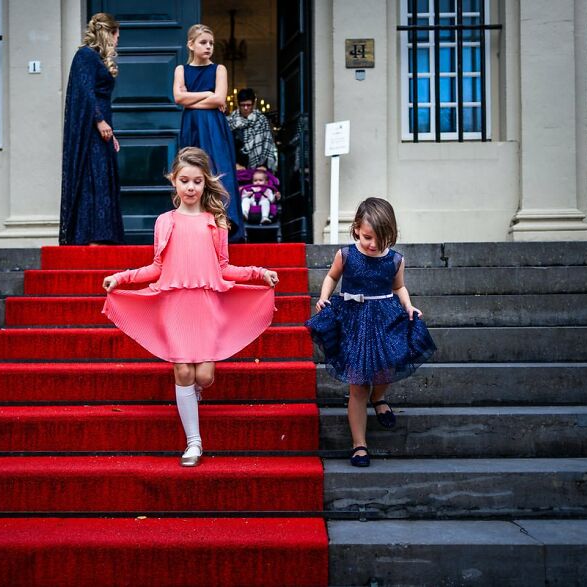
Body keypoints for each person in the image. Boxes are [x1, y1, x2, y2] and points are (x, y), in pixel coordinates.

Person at [101, 147, 279, 467]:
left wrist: (258, 274)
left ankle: (194, 391)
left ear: (205, 183)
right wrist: (122, 278)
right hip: (174, 303)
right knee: (182, 369)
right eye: (184, 180)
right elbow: (156, 266)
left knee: (205, 376)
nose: (191, 187)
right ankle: (193, 442)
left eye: (197, 181)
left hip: (206, 302)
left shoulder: (216, 222)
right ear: (174, 181)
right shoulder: (164, 222)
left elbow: (224, 267)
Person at [306, 197, 436, 467]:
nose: (373, 244)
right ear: (356, 229)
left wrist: (409, 306)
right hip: (353, 321)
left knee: (386, 367)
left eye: (381, 238)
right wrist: (324, 296)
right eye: (367, 237)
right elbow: (332, 277)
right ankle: (359, 444)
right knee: (357, 384)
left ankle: (379, 397)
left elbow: (399, 287)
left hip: (384, 318)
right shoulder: (346, 255)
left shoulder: (394, 260)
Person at [174, 24, 245, 243]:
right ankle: (192, 222)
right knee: (190, 169)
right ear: (191, 44)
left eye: (211, 43)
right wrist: (207, 93)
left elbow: (219, 99)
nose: (208, 47)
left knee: (219, 168)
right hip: (192, 126)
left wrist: (192, 98)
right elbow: (178, 98)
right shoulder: (181, 70)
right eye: (203, 42)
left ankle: (224, 221)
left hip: (214, 126)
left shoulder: (219, 69)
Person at [60, 13, 124, 245]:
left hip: (102, 130)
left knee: (101, 178)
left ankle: (103, 236)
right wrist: (99, 120)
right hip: (91, 131)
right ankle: (90, 237)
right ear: (108, 33)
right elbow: (84, 92)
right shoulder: (85, 55)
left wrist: (108, 129)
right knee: (92, 178)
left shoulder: (95, 57)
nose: (117, 41)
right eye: (116, 36)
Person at [227, 88, 278, 172]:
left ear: (253, 105)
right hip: (236, 168)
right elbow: (226, 147)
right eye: (243, 105)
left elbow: (267, 144)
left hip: (259, 169)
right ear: (238, 105)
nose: (246, 108)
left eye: (249, 105)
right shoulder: (230, 121)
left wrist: (263, 165)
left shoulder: (261, 120)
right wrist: (234, 164)